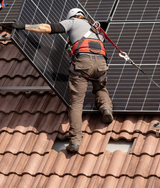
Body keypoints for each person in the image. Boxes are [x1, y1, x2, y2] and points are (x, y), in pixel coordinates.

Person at [12, 8, 113, 153]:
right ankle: (106, 109)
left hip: (83, 63)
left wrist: (25, 27)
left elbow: (48, 28)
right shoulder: (96, 29)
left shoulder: (73, 21)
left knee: (76, 103)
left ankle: (75, 141)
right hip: (101, 64)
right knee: (99, 87)